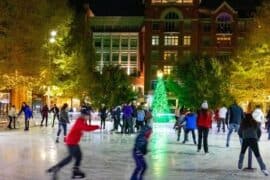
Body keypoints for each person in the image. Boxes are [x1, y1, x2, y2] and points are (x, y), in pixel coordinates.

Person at [46, 108, 100, 179]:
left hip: (74, 142)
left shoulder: (82, 120)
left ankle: (75, 171)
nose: (89, 117)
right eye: (88, 115)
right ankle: (56, 168)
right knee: (70, 158)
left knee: (79, 156)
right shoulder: (80, 121)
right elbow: (86, 128)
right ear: (84, 115)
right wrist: (97, 126)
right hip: (71, 142)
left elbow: (85, 127)